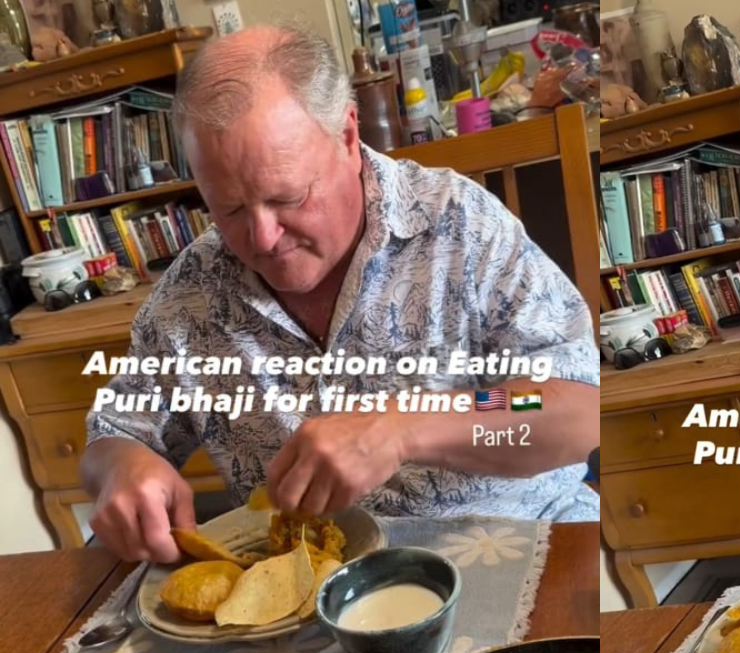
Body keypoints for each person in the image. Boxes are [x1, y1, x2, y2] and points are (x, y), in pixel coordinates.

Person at [82, 23, 600, 565]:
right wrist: (123, 465)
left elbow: (569, 410)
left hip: (517, 557)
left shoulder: (458, 226)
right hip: (308, 598)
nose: (261, 238)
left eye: (288, 196)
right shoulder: (192, 292)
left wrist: (405, 427)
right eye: (229, 208)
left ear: (347, 138)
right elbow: (117, 431)